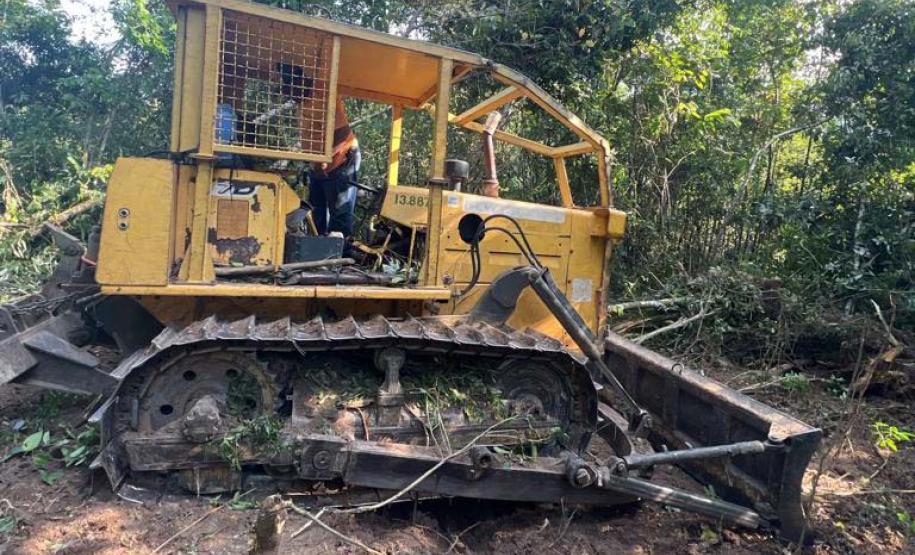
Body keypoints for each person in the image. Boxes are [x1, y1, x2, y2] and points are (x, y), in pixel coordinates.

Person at [309, 99, 360, 237]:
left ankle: (338, 252)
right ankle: (319, 247)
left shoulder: (323, 96)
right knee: (317, 209)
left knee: (340, 211)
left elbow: (342, 133)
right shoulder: (300, 101)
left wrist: (324, 158)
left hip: (340, 158)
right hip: (318, 164)